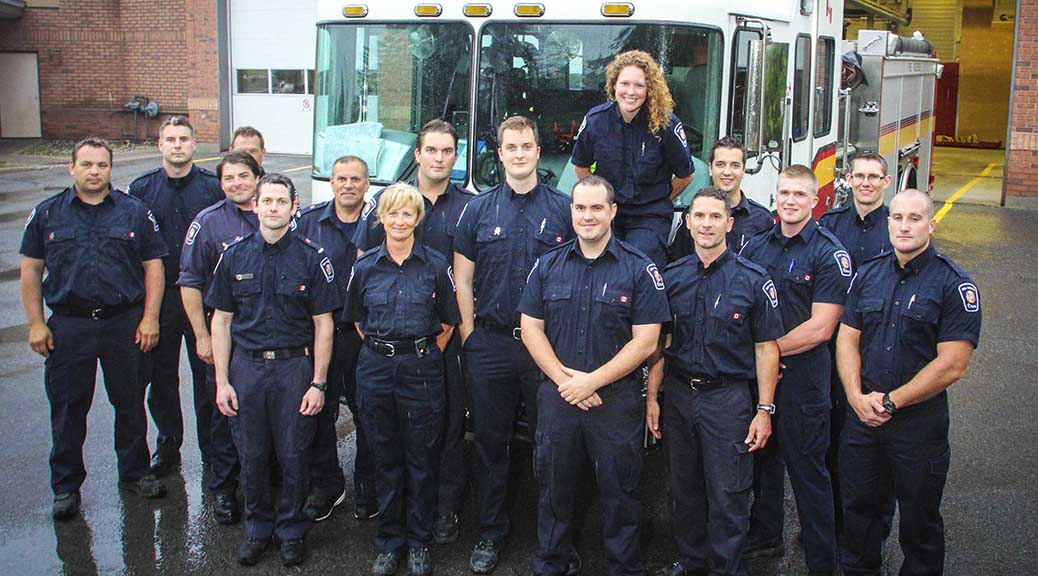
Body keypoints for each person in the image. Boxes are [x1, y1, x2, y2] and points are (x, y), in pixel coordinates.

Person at [519, 175, 670, 576]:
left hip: (614, 402)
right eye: (580, 208)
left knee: (621, 492)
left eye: (597, 208)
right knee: (553, 489)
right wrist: (565, 381)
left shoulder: (639, 269)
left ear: (612, 212)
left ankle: (625, 567)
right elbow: (530, 327)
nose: (588, 216)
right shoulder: (547, 265)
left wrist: (592, 381)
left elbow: (647, 341)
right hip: (558, 397)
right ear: (570, 213)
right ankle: (552, 563)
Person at [20, 138, 169, 521]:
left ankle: (135, 473)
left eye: (101, 165)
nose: (94, 171)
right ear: (71, 168)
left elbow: (154, 266)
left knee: (130, 402)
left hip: (124, 323)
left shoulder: (134, 213)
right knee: (68, 408)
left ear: (110, 169)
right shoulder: (48, 214)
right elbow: (31, 269)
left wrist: (150, 317)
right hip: (70, 326)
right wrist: (36, 323)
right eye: (86, 164)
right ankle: (66, 486)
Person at [837, 189, 981, 576]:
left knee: (919, 525)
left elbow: (952, 365)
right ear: (888, 223)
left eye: (914, 218)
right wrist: (854, 396)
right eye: (897, 217)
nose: (904, 226)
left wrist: (892, 402)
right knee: (858, 514)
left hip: (917, 425)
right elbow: (847, 338)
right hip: (863, 418)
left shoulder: (954, 285)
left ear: (931, 225)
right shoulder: (867, 275)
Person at [453, 115, 574, 574]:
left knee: (553, 446)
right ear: (499, 154)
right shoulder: (478, 211)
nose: (520, 154)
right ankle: (490, 532)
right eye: (511, 147)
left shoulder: (565, 209)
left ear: (538, 152)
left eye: (527, 146)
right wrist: (469, 336)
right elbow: (462, 280)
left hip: (548, 351)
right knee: (489, 443)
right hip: (492, 344)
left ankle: (555, 540)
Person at [648, 187, 783, 576]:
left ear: (729, 223)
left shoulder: (754, 280)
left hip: (728, 400)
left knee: (728, 493)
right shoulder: (670, 279)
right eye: (699, 216)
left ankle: (728, 568)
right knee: (683, 490)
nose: (706, 224)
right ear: (688, 223)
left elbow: (766, 350)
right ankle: (691, 563)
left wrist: (764, 410)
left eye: (714, 217)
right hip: (678, 395)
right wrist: (653, 398)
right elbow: (660, 344)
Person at [207, 174, 339, 567]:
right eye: (267, 201)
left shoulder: (312, 258)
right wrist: (221, 380)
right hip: (247, 367)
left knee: (294, 454)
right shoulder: (233, 256)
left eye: (282, 201)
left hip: (294, 368)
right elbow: (221, 321)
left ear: (294, 207)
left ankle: (291, 529)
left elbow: (324, 324)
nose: (273, 208)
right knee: (252, 453)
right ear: (255, 206)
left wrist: (318, 382)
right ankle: (258, 528)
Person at [353, 120, 475, 542]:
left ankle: (443, 510)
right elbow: (362, 269)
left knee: (445, 431)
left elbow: (467, 278)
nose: (439, 158)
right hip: (391, 346)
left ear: (455, 157)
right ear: (417, 154)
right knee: (386, 438)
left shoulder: (468, 206)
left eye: (447, 151)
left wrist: (437, 344)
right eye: (432, 150)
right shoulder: (387, 201)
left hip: (442, 340)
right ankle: (383, 510)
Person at [342, 183, 461, 576]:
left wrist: (420, 354)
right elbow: (358, 321)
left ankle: (419, 542)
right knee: (385, 457)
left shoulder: (434, 265)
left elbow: (447, 322)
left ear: (417, 218)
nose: (399, 220)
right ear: (381, 218)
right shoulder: (364, 269)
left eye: (407, 213)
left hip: (421, 369)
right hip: (376, 368)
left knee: (421, 458)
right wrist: (385, 349)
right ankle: (389, 541)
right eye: (392, 213)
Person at [740, 165, 852, 575]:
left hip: (803, 383)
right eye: (784, 193)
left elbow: (822, 327)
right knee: (762, 467)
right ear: (775, 196)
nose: (790, 201)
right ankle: (764, 538)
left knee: (809, 475)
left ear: (815, 200)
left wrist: (766, 353)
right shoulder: (755, 248)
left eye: (799, 195)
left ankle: (823, 561)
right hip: (761, 383)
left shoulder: (828, 253)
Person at [128, 116, 223, 476]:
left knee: (207, 378)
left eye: (184, 138)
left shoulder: (213, 187)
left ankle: (214, 452)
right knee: (162, 378)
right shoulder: (142, 190)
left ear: (195, 144)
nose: (178, 145)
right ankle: (168, 445)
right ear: (160, 145)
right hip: (162, 298)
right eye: (171, 139)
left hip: (205, 298)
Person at [178, 151, 262, 525]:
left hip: (271, 335)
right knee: (224, 415)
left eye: (244, 176)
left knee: (266, 415)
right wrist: (201, 335)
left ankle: (263, 486)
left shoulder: (277, 212)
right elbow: (191, 283)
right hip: (226, 334)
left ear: (257, 177)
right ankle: (224, 490)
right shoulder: (208, 223)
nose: (237, 184)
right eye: (229, 178)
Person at [295, 155, 378, 523]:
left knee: (368, 413)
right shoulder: (308, 222)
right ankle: (327, 484)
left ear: (367, 184)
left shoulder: (379, 222)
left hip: (364, 335)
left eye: (356, 179)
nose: (348, 185)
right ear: (331, 182)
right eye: (341, 178)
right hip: (323, 333)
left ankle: (367, 484)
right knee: (321, 411)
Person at [818, 152, 894, 534]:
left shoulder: (896, 228)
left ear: (887, 180)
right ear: (848, 179)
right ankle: (834, 521)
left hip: (880, 345)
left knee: (876, 441)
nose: (865, 183)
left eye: (873, 176)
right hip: (835, 343)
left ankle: (873, 528)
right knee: (833, 436)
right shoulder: (830, 225)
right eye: (859, 176)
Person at [571, 49, 693, 267]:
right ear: (614, 85)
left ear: (649, 89)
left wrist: (660, 198)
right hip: (608, 214)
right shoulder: (595, 121)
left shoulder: (665, 124)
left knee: (636, 264)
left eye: (639, 85)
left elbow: (686, 175)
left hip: (649, 217)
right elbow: (580, 167)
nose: (631, 92)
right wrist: (600, 202)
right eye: (625, 84)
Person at [668, 137, 773, 260]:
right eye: (720, 164)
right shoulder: (693, 215)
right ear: (710, 169)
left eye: (735, 165)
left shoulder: (762, 220)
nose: (727, 172)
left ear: (743, 170)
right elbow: (677, 264)